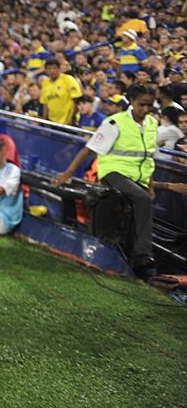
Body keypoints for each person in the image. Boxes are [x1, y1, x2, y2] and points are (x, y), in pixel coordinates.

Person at [53, 84, 159, 279]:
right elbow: (90, 148)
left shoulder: (152, 123)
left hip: (138, 178)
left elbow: (148, 157)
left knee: (142, 200)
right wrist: (68, 173)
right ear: (132, 101)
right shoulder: (114, 123)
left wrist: (150, 184)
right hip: (113, 172)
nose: (146, 109)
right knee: (142, 200)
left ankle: (134, 255)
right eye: (142, 104)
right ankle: (144, 255)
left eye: (149, 105)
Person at [38, 57, 82, 125]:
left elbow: (77, 99)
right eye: (49, 68)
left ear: (59, 69)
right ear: (46, 70)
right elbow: (45, 103)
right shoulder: (45, 83)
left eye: (54, 68)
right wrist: (45, 120)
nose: (52, 71)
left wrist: (72, 118)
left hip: (69, 122)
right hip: (52, 121)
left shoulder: (68, 79)